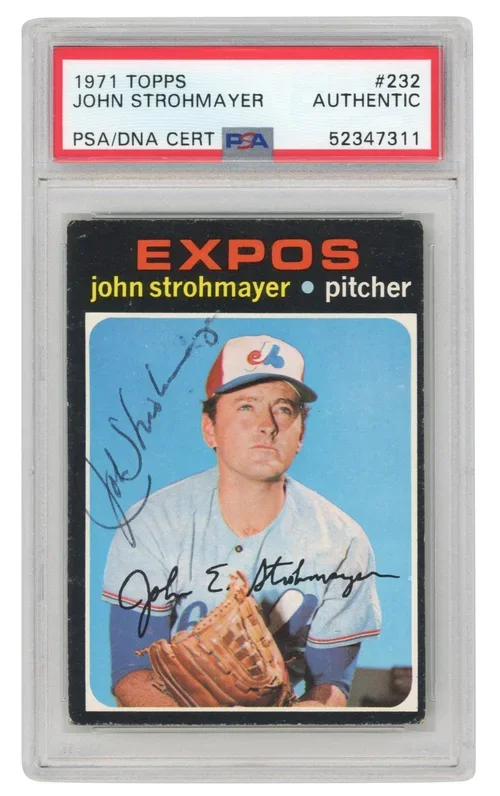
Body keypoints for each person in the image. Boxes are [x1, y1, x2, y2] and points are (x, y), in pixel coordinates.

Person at [102, 334, 381, 708]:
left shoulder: (343, 541)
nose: (267, 425)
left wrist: (286, 728)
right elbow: (132, 673)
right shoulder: (151, 522)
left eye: (284, 409)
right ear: (210, 428)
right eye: (246, 406)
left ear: (300, 433)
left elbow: (330, 685)